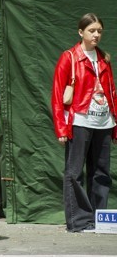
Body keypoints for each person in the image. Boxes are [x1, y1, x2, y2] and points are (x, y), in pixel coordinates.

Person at [51, 13, 117, 233]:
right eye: (92, 30)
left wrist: (115, 125)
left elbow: (112, 93)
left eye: (99, 31)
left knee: (101, 173)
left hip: (104, 123)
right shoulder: (69, 57)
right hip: (79, 121)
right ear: (81, 32)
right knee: (75, 172)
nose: (96, 34)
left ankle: (100, 220)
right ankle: (79, 221)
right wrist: (61, 128)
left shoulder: (104, 59)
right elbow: (57, 94)